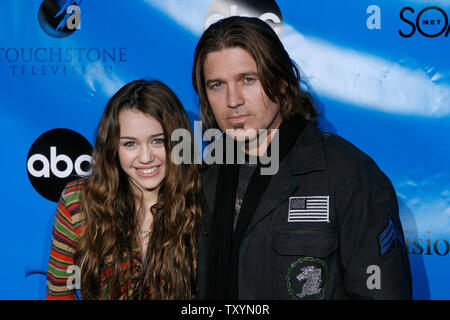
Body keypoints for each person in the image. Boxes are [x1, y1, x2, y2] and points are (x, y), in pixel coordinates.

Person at [192, 16, 412, 299]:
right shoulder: (201, 177)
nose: (233, 100)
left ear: (282, 82)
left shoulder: (348, 174)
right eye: (217, 85)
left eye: (248, 79)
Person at [46, 80, 202, 299]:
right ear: (112, 147)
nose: (146, 157)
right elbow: (58, 294)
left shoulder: (202, 199)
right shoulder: (79, 202)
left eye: (158, 141)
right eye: (130, 144)